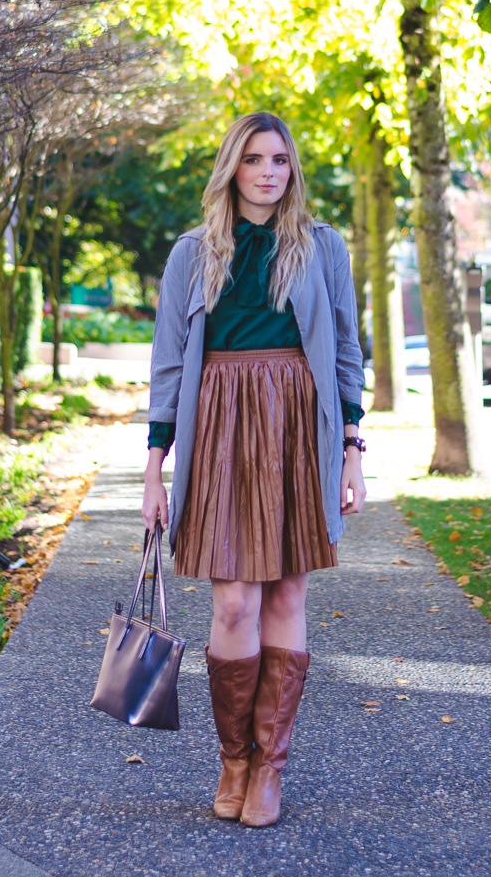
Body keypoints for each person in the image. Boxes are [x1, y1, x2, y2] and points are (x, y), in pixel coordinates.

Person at [142, 110, 367, 828]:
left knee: (287, 592)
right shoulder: (193, 252)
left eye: (279, 159)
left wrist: (352, 451)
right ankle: (233, 759)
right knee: (234, 601)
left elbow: (345, 351)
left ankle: (270, 767)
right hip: (220, 424)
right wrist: (155, 470)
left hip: (299, 421)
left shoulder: (322, 246)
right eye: (253, 159)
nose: (268, 172)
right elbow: (170, 363)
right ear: (231, 169)